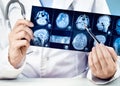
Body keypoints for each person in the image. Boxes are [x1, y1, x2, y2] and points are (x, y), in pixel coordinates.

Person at [0, 0, 120, 84]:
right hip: (20, 82)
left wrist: (105, 70)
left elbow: (110, 50)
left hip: (75, 82)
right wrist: (10, 60)